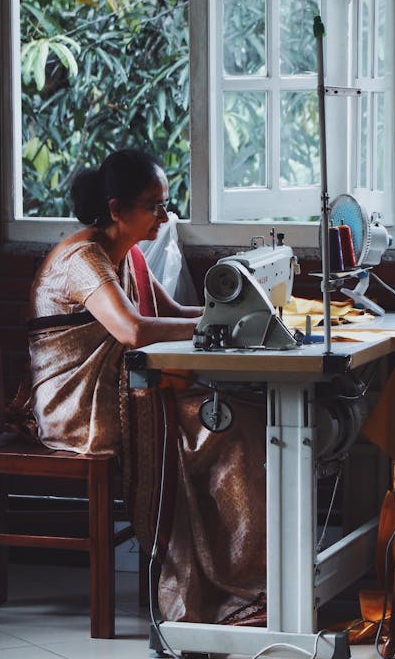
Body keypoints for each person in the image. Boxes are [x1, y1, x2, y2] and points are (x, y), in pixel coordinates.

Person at [26, 148, 267, 626]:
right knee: (227, 432)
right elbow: (134, 331)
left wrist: (245, 310)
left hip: (117, 390)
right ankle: (227, 588)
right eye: (153, 205)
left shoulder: (127, 253)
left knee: (238, 416)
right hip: (78, 408)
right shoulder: (82, 259)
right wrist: (217, 329)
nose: (164, 214)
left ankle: (245, 580)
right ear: (116, 209)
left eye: (165, 203)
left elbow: (172, 314)